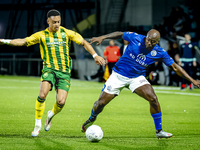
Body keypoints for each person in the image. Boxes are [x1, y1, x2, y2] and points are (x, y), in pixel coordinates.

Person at [0, 9, 105, 137]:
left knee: (61, 102)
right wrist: (3, 40)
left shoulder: (67, 33)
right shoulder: (41, 35)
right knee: (42, 94)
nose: (57, 24)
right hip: (49, 69)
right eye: (54, 22)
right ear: (48, 21)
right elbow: (23, 41)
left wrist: (95, 55)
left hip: (64, 71)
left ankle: (50, 115)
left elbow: (83, 42)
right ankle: (37, 125)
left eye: (59, 22)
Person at [81, 29, 200, 139]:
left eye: (152, 41)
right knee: (100, 104)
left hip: (136, 78)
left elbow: (175, 67)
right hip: (118, 75)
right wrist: (103, 37)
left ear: (157, 42)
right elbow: (120, 33)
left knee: (153, 98)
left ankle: (159, 131)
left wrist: (192, 80)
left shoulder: (159, 52)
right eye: (148, 39)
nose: (148, 42)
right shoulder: (136, 37)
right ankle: (92, 118)